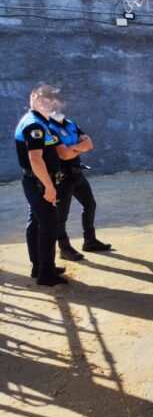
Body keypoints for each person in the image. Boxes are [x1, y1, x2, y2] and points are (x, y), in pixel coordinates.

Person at [14, 84, 78, 286]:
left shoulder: (41, 122)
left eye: (51, 100)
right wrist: (49, 187)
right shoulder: (34, 125)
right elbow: (35, 159)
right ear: (32, 97)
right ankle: (46, 274)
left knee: (36, 224)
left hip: (37, 181)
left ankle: (39, 266)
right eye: (42, 99)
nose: (47, 103)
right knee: (49, 226)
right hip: (39, 182)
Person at [47, 112, 111, 260]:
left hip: (77, 173)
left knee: (90, 205)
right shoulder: (49, 128)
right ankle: (64, 249)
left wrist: (72, 148)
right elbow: (64, 155)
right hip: (62, 178)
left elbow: (90, 144)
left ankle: (90, 241)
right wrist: (80, 147)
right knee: (61, 216)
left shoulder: (71, 123)